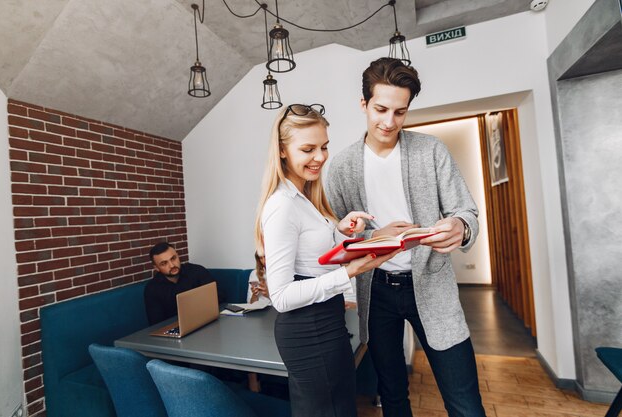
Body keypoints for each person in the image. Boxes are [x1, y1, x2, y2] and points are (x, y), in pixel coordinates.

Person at [326, 57, 486, 417]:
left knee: (465, 403)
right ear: (363, 104)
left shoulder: (431, 151)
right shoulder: (341, 166)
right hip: (376, 290)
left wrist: (461, 228)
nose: (389, 121)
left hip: (432, 284)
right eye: (381, 109)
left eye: (400, 112)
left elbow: (467, 212)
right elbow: (338, 237)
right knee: (393, 396)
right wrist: (363, 235)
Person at [254, 103, 399, 417]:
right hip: (308, 331)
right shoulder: (282, 206)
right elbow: (280, 297)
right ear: (281, 151)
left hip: (326, 323)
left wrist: (344, 232)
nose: (320, 157)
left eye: (323, 147)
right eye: (308, 149)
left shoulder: (304, 199)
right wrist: (349, 272)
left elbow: (315, 259)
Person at [144, 242, 224, 325]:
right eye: (164, 263)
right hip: (176, 328)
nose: (171, 265)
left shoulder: (197, 271)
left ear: (178, 256)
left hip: (206, 320)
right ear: (156, 268)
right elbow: (156, 323)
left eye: (173, 258)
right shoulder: (152, 289)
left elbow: (220, 296)